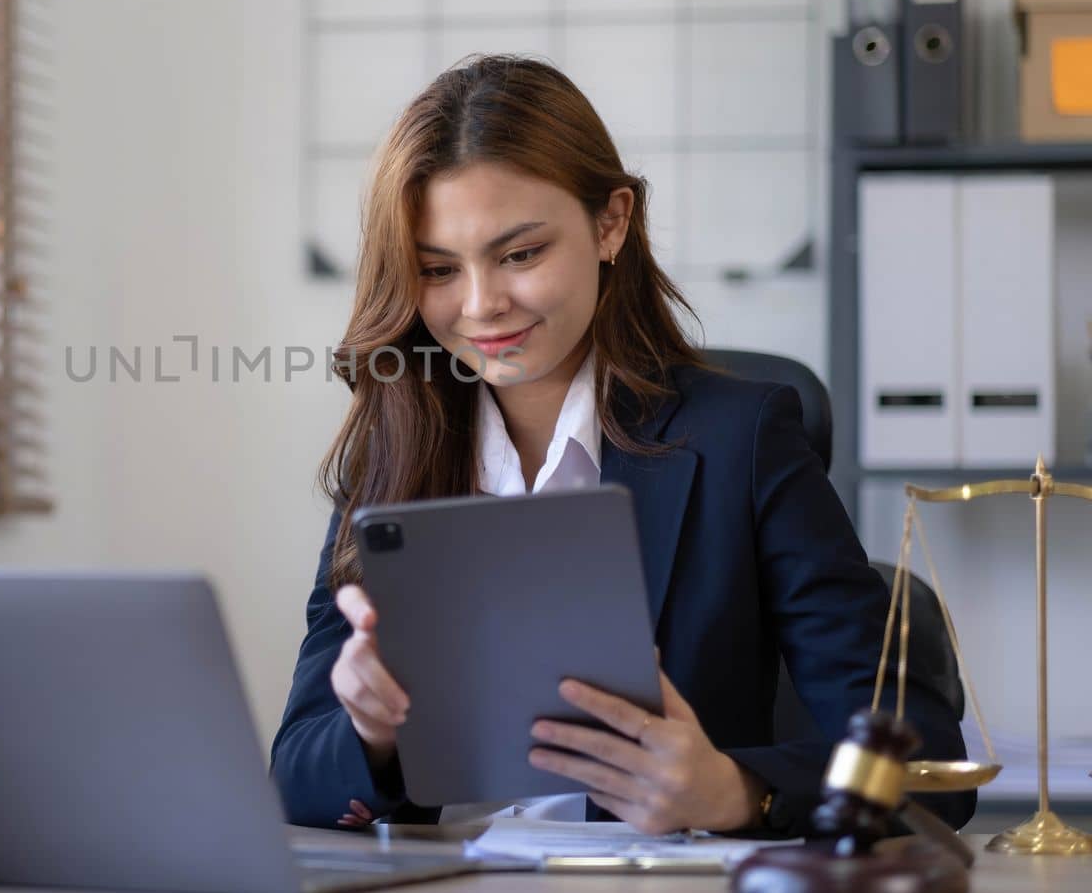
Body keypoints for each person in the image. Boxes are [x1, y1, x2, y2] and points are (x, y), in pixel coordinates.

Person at [269, 55, 974, 837]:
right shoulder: (394, 451)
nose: (480, 305)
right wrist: (372, 733)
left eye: (520, 253)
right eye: (438, 269)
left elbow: (929, 765)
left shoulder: (743, 440)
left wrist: (741, 791)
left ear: (611, 223)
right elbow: (295, 778)